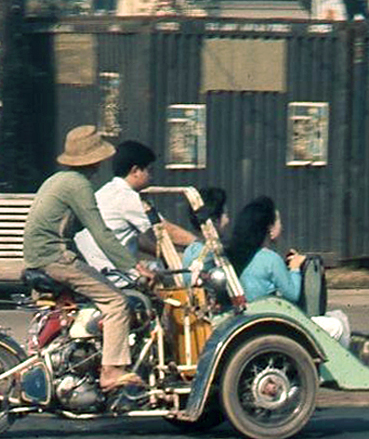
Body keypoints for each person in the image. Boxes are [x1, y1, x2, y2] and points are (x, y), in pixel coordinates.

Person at [23, 125, 144, 392]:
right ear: (96, 159)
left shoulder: (57, 180)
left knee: (86, 300)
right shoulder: (79, 185)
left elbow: (75, 227)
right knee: (116, 302)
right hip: (55, 258)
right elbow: (100, 231)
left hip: (40, 256)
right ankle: (111, 371)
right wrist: (134, 266)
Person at [225, 196, 349, 342]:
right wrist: (295, 268)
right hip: (273, 324)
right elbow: (292, 294)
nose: (281, 226)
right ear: (270, 229)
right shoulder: (271, 259)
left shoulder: (237, 256)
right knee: (338, 323)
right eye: (278, 221)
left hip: (248, 322)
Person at [74, 140, 195, 273]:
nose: (151, 176)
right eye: (149, 171)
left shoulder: (107, 191)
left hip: (92, 267)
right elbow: (165, 230)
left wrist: (167, 256)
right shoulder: (127, 197)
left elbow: (138, 240)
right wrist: (202, 245)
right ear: (135, 171)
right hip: (113, 275)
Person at [181, 187, 228, 281]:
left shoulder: (192, 249)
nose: (228, 220)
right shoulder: (210, 253)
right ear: (215, 220)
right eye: (226, 215)